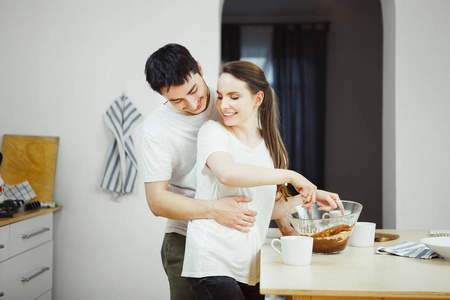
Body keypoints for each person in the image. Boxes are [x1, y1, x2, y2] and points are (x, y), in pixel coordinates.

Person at [182, 61, 343, 300]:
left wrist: (310, 196)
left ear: (257, 99)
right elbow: (227, 172)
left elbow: (265, 209)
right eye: (221, 96)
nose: (223, 105)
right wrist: (291, 175)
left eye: (234, 97)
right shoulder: (212, 132)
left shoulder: (269, 145)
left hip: (250, 266)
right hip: (212, 262)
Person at [142, 44, 263, 300]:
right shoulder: (156, 128)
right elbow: (156, 201)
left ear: (199, 68)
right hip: (185, 238)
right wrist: (215, 209)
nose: (191, 103)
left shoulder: (230, 101)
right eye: (177, 100)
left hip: (239, 235)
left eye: (193, 90)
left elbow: (260, 164)